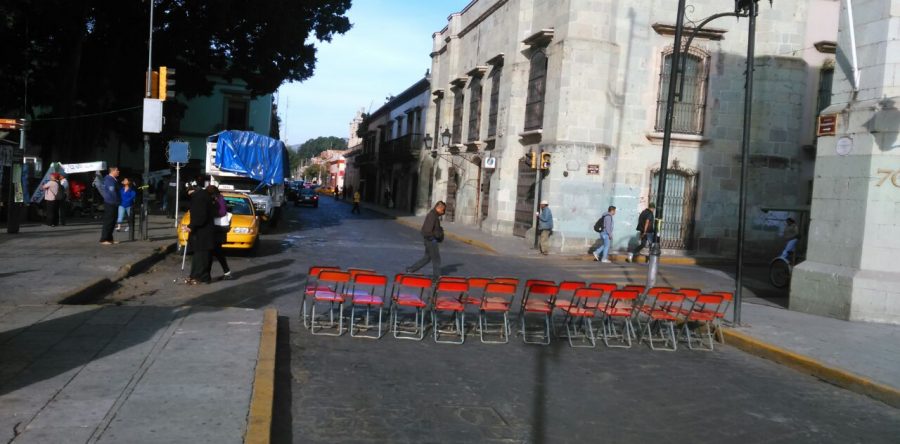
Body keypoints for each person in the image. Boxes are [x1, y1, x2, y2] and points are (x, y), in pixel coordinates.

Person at [183, 183, 215, 284]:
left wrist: (191, 227)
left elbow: (200, 216)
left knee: (201, 256)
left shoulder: (199, 198)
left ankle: (198, 277)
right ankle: (200, 276)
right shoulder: (203, 196)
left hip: (201, 233)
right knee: (202, 256)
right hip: (204, 232)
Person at [406, 201, 446, 278]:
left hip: (430, 240)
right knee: (436, 259)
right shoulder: (432, 216)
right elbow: (426, 231)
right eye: (442, 210)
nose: (443, 212)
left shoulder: (434, 215)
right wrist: (436, 236)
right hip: (431, 241)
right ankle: (437, 277)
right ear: (438, 208)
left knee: (427, 258)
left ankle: (411, 269)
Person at [208, 186, 233, 280]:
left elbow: (222, 212)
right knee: (217, 252)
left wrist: (212, 214)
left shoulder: (219, 199)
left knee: (214, 251)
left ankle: (209, 274)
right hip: (219, 229)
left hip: (219, 228)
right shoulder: (219, 198)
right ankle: (226, 272)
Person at [98, 167, 120, 244]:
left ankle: (109, 238)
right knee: (109, 221)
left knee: (113, 221)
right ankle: (103, 239)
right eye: (117, 170)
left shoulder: (113, 179)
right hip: (110, 202)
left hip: (113, 202)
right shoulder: (109, 179)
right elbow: (112, 192)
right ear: (112, 171)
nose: (118, 171)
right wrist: (117, 201)